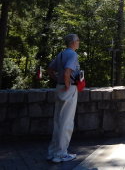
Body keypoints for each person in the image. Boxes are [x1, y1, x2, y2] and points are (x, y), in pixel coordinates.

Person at [47, 34, 80, 163]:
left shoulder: (61, 54)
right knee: (66, 122)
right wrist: (67, 84)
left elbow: (50, 69)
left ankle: (52, 152)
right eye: (77, 41)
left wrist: (58, 80)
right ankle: (61, 154)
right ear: (72, 42)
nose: (78, 43)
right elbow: (67, 72)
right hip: (69, 89)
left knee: (58, 121)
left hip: (59, 88)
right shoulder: (72, 55)